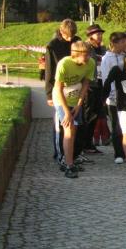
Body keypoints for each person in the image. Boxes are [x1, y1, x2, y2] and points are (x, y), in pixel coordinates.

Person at [52, 41, 94, 179]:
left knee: (75, 130)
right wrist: (66, 112)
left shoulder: (90, 63)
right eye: (85, 55)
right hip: (61, 99)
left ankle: (70, 159)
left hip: (75, 99)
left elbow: (85, 85)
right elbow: (58, 89)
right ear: (76, 54)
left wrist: (78, 105)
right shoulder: (64, 64)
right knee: (69, 129)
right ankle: (68, 165)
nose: (88, 57)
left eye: (89, 54)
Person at [45, 19, 81, 166]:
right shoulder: (52, 46)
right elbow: (49, 70)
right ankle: (59, 153)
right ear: (61, 32)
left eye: (72, 36)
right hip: (58, 87)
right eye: (67, 36)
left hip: (75, 87)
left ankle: (73, 153)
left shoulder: (77, 41)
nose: (70, 39)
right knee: (61, 123)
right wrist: (49, 94)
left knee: (75, 123)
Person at [101, 32, 126, 164]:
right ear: (114, 43)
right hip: (113, 99)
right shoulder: (106, 59)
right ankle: (118, 153)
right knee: (116, 125)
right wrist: (111, 95)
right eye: (122, 42)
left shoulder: (125, 57)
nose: (125, 44)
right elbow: (106, 79)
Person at [81, 24, 107, 155]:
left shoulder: (102, 48)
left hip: (101, 85)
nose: (100, 36)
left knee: (96, 115)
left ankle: (89, 143)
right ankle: (84, 144)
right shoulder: (86, 48)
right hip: (90, 86)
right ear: (90, 36)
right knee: (88, 115)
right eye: (97, 34)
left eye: (101, 33)